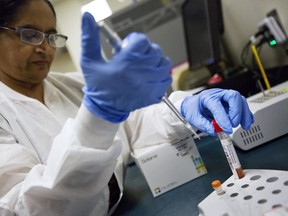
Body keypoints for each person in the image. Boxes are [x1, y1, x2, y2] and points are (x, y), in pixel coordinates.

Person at [0, 0, 254, 215]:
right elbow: (30, 206)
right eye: (31, 34)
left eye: (51, 35)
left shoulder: (70, 85)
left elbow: (134, 123)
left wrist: (186, 106)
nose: (44, 47)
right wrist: (98, 116)